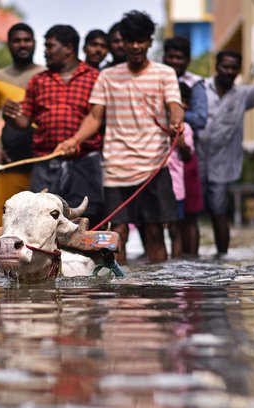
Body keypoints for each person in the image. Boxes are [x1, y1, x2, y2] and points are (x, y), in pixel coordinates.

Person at [55, 10, 184, 264]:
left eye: (142, 40)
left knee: (154, 232)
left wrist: (176, 121)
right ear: (122, 42)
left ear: (150, 42)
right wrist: (74, 140)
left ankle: (160, 294)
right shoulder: (108, 76)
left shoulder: (164, 73)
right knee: (118, 233)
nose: (136, 46)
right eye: (130, 40)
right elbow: (94, 118)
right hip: (116, 169)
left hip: (153, 168)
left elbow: (175, 106)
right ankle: (119, 292)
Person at [3, 24, 104, 226]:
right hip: (45, 163)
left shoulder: (95, 78)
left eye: (50, 46)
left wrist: (75, 141)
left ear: (68, 48)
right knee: (42, 220)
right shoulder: (38, 81)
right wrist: (11, 116)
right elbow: (25, 122)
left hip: (84, 162)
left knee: (86, 219)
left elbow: (97, 118)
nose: (45, 51)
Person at [198, 35, 254, 255]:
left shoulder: (243, 94)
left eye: (233, 68)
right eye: (225, 66)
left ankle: (221, 258)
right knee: (188, 216)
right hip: (194, 162)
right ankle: (188, 260)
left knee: (219, 212)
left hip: (222, 166)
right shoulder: (200, 88)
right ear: (217, 66)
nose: (228, 71)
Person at [0, 23, 46, 226]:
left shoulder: (47, 75)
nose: (22, 44)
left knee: (41, 220)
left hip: (42, 160)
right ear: (9, 44)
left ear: (34, 43)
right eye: (17, 40)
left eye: (27, 40)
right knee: (4, 218)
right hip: (10, 158)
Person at [163, 36, 207, 256]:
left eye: (179, 57)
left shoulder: (195, 83)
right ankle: (177, 259)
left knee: (190, 214)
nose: (174, 61)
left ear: (187, 59)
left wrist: (173, 116)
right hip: (165, 159)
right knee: (171, 219)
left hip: (186, 155)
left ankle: (193, 258)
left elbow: (199, 119)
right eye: (170, 56)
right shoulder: (158, 78)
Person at [166, 82, 195, 258]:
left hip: (176, 188)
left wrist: (178, 138)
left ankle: (176, 261)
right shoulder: (156, 126)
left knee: (175, 229)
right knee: (151, 227)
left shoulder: (187, 129)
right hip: (152, 185)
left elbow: (188, 155)